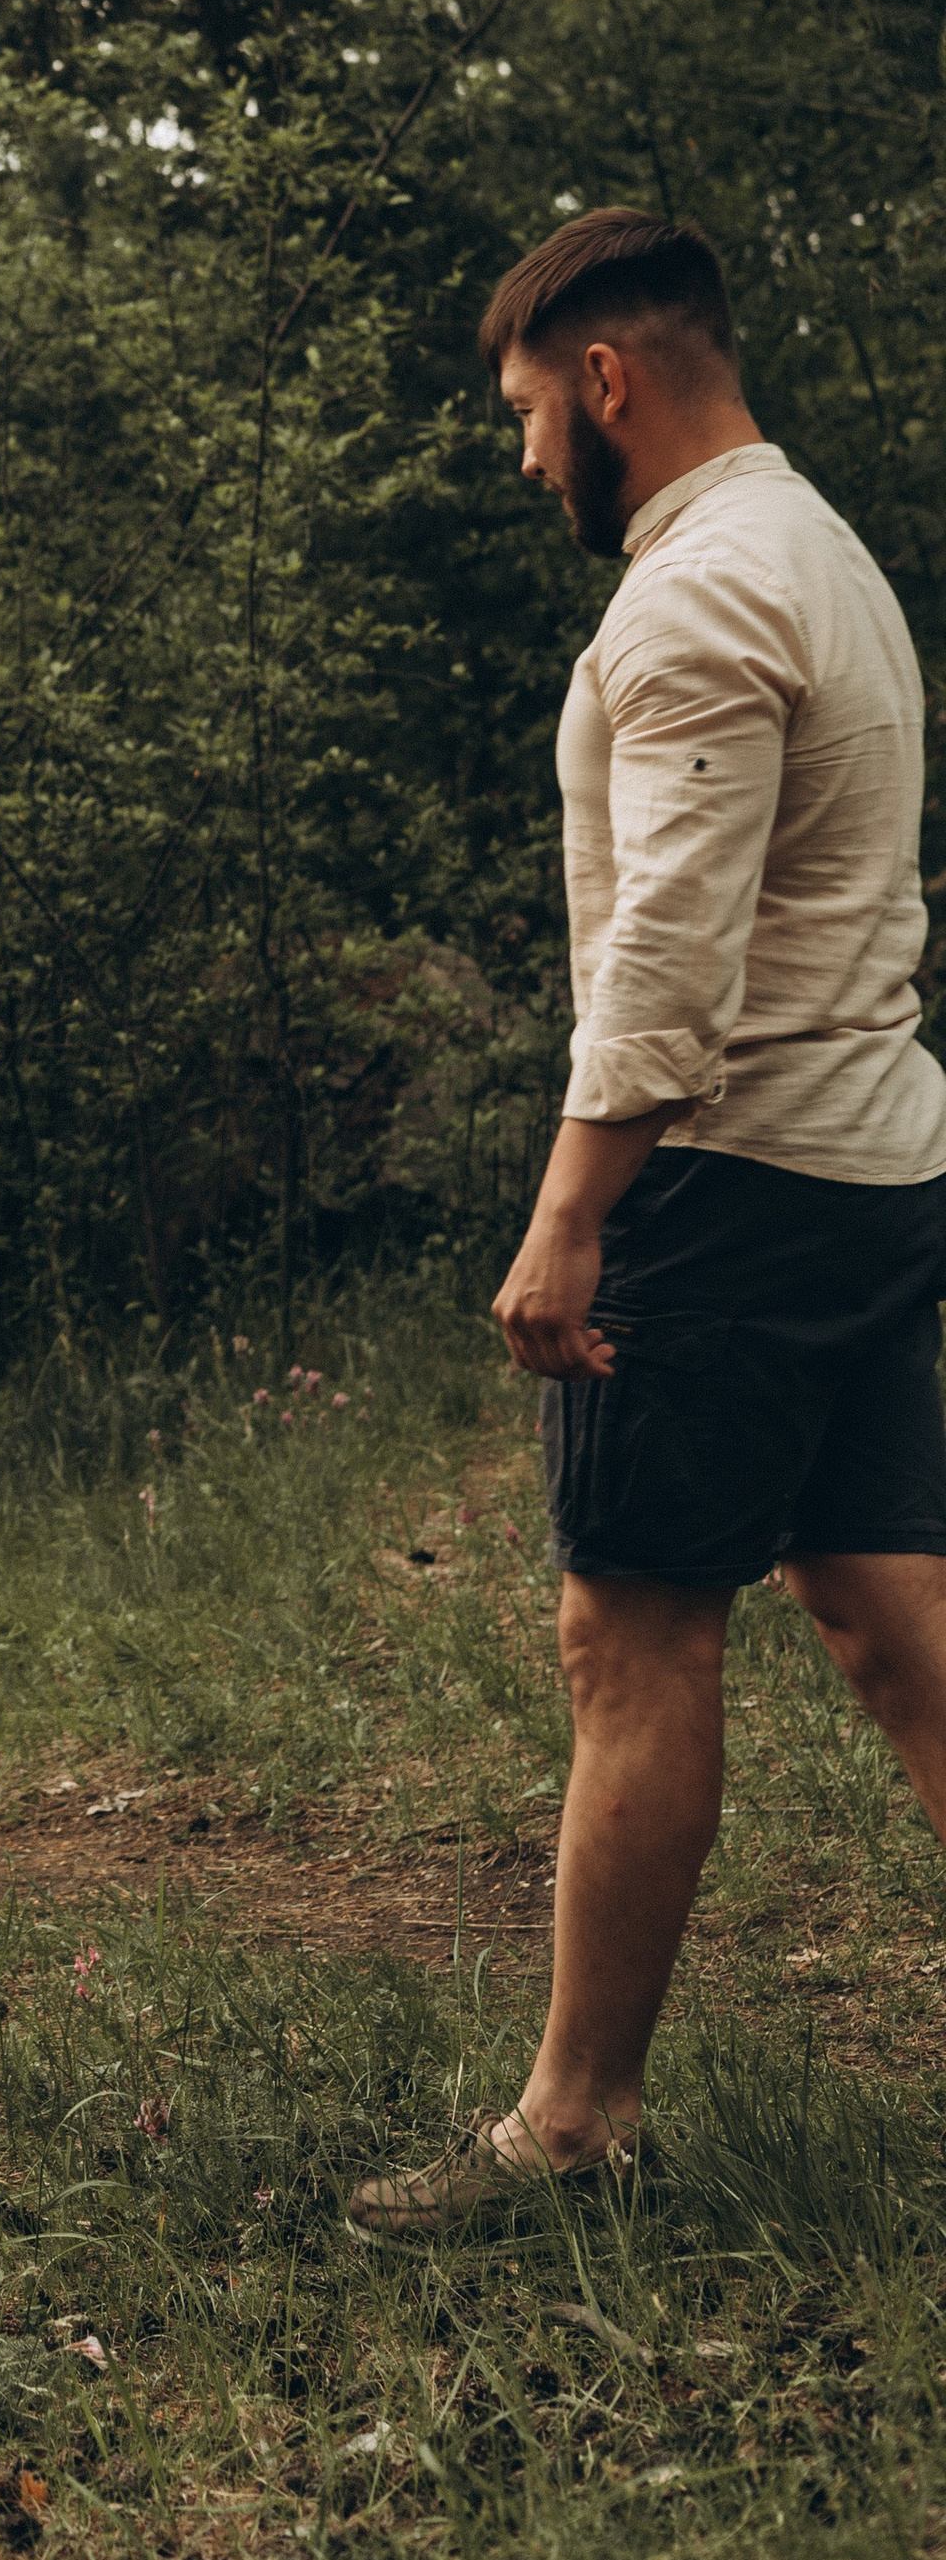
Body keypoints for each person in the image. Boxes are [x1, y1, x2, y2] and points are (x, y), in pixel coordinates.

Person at [349, 207, 946, 2236]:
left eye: (524, 412)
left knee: (628, 1632)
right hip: (867, 1168)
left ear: (606, 378)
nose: (521, 458)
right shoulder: (821, 554)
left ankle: (570, 2126)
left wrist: (566, 1215)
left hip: (731, 1183)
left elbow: (668, 958)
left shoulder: (701, 598)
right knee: (892, 1626)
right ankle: (577, 2112)